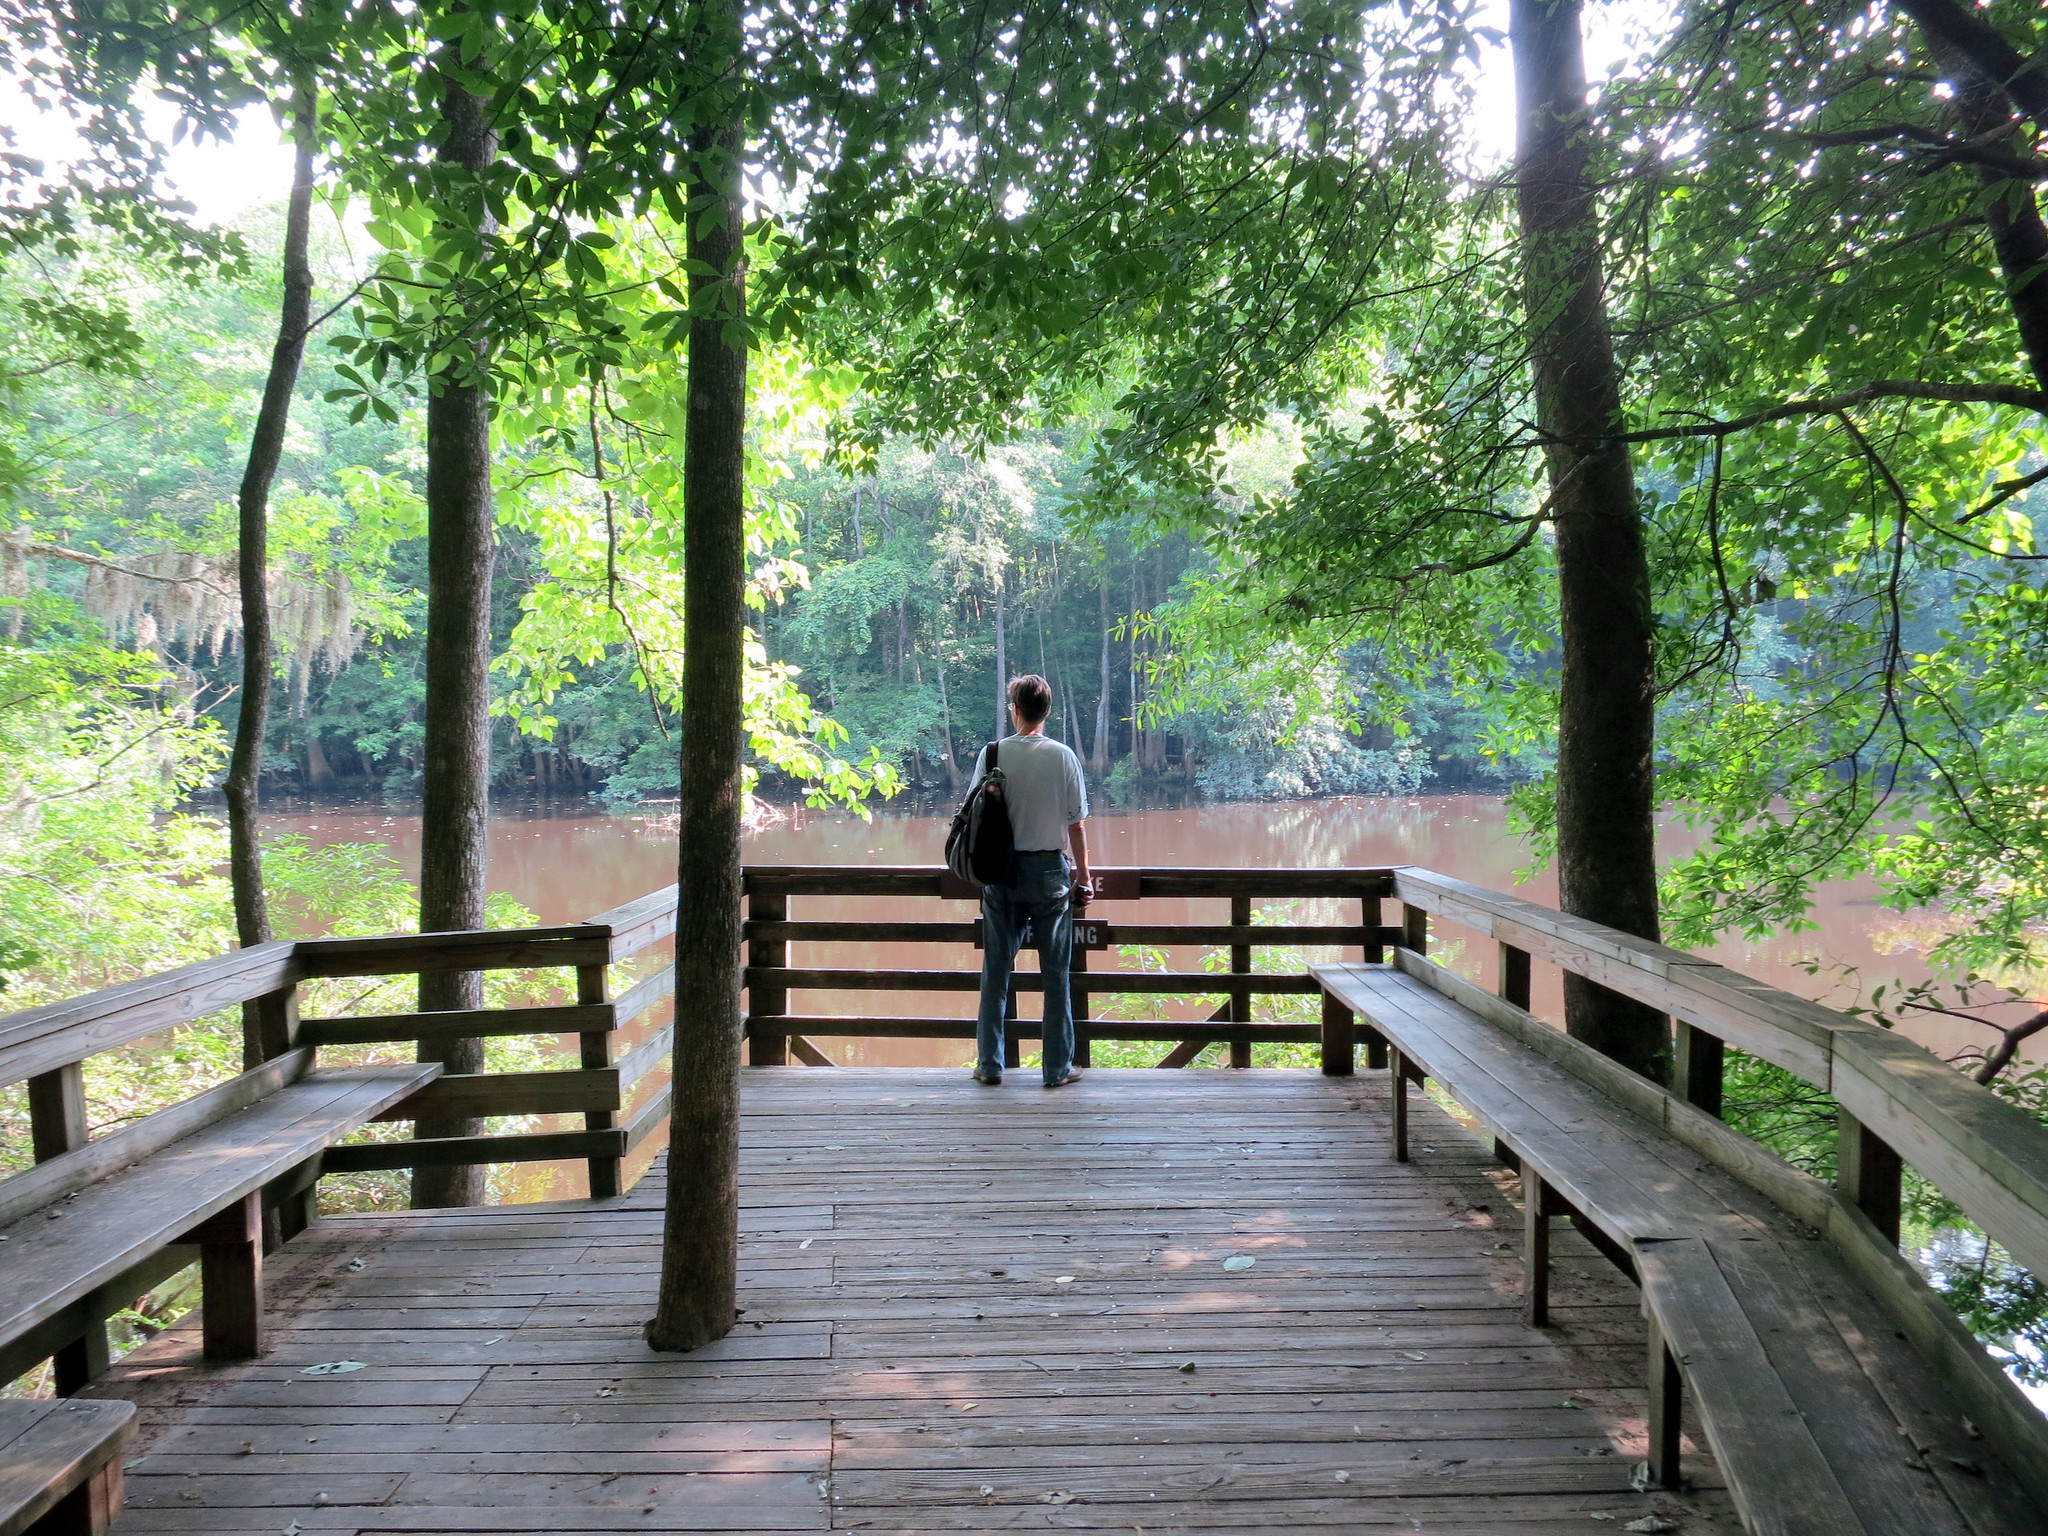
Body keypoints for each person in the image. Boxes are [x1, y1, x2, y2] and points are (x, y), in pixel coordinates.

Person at [968, 674, 1094, 1088]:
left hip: (1000, 874)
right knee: (1056, 974)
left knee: (996, 970)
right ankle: (1057, 1068)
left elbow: (973, 813)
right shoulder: (1062, 757)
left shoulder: (993, 754)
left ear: (1015, 709)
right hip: (1049, 876)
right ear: (1047, 712)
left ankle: (990, 1064)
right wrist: (1084, 877)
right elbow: (1076, 824)